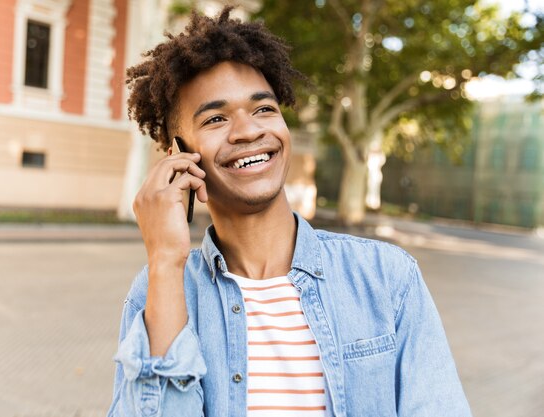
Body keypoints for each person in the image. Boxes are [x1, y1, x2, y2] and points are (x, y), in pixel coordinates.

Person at [107, 7, 471, 417]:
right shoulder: (157, 292)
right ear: (179, 156)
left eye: (264, 109)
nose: (248, 130)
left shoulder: (386, 277)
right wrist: (165, 261)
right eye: (216, 118)